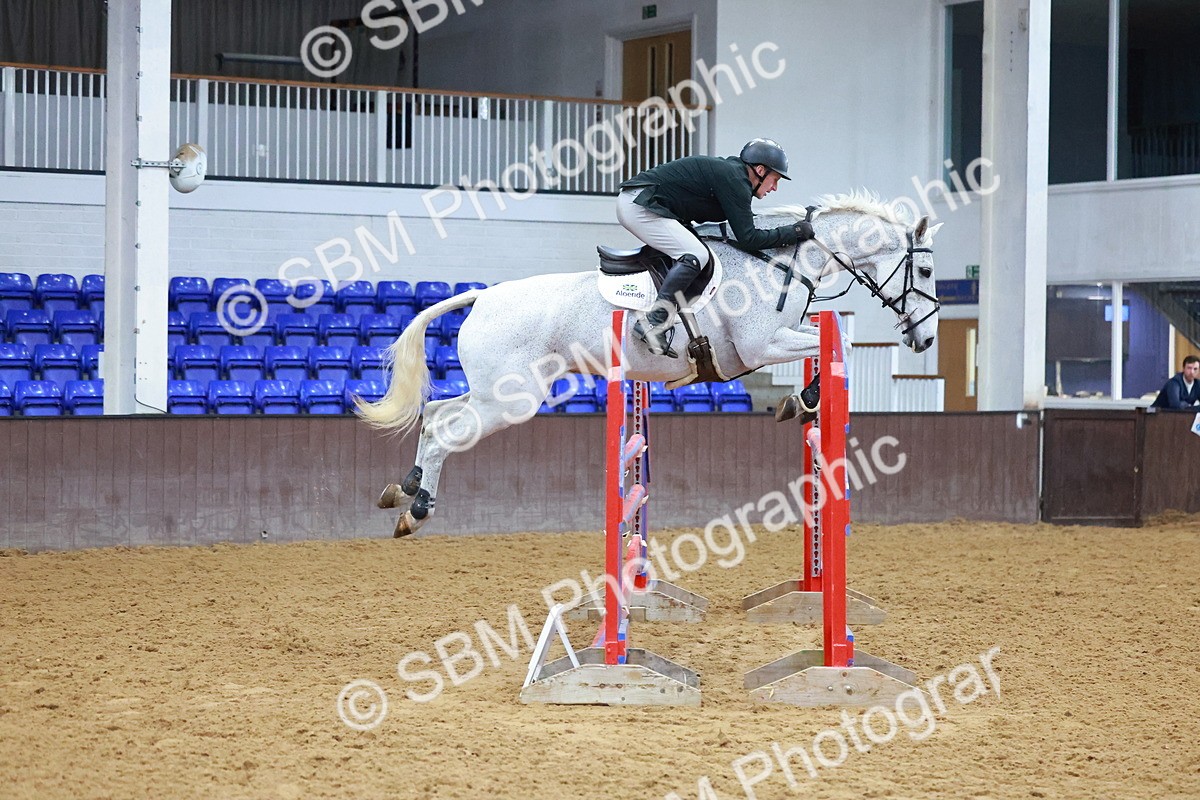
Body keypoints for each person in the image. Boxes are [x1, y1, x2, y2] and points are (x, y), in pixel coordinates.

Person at [616, 138, 815, 356]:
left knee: (699, 250)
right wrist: (794, 232)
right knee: (696, 254)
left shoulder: (735, 176)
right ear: (760, 170)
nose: (774, 188)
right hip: (640, 204)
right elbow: (749, 239)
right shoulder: (736, 181)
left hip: (646, 203)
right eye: (775, 179)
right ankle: (654, 321)